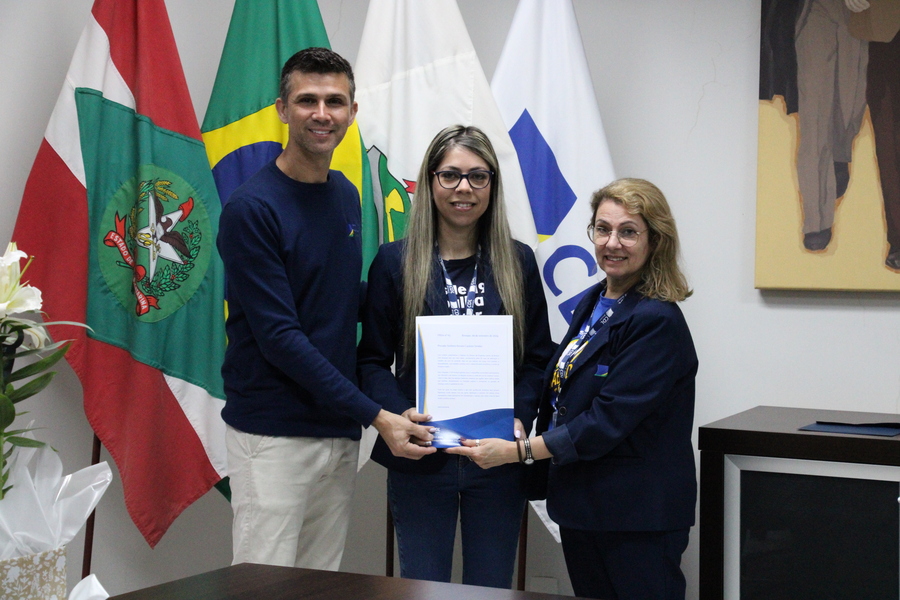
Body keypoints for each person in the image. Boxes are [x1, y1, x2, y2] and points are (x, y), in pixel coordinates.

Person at [216, 47, 435, 571]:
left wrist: (422, 313)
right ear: (282, 109)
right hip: (273, 436)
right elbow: (282, 337)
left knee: (318, 582)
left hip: (335, 429)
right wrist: (376, 414)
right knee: (263, 585)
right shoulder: (252, 209)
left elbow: (335, 302)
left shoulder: (343, 193)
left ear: (352, 112)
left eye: (334, 101)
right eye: (307, 100)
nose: (322, 113)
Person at [447, 178, 698, 600]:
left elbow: (606, 421)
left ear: (655, 240)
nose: (612, 243)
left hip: (636, 514)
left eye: (628, 231)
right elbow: (562, 390)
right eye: (602, 229)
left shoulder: (656, 320)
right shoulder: (595, 300)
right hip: (586, 506)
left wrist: (519, 452)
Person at [357, 125, 554, 588]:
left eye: (477, 176)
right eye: (450, 175)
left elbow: (538, 359)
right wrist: (396, 415)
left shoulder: (518, 261)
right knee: (423, 587)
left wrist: (517, 417)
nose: (464, 188)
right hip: (421, 460)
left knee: (490, 588)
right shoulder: (393, 262)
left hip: (497, 460)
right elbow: (370, 360)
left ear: (492, 185)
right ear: (429, 183)